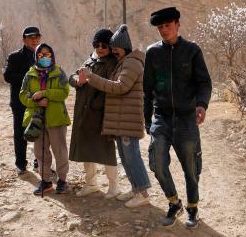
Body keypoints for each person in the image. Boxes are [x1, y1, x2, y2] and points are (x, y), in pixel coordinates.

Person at [143, 6, 212, 228]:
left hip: (186, 119)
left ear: (177, 25)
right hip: (161, 117)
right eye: (160, 27)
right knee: (157, 163)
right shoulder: (153, 53)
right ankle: (174, 203)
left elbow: (204, 82)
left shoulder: (192, 51)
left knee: (191, 168)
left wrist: (201, 104)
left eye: (168, 25)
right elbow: (147, 89)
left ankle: (192, 208)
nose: (164, 30)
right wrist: (147, 119)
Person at [79, 24, 152, 208]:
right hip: (121, 120)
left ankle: (143, 192)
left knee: (133, 157)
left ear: (125, 47)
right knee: (126, 158)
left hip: (128, 120)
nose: (114, 52)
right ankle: (136, 189)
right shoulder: (124, 62)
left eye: (116, 48)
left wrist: (92, 78)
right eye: (113, 49)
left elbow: (120, 87)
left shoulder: (132, 63)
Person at [68, 29, 121, 197]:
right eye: (96, 45)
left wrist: (97, 104)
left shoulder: (113, 63)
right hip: (83, 112)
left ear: (110, 46)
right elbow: (73, 76)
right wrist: (77, 81)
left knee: (106, 150)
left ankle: (114, 186)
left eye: (104, 45)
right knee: (85, 148)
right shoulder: (90, 60)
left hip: (101, 113)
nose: (100, 48)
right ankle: (91, 184)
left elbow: (112, 87)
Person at [19, 42, 70, 196]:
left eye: (47, 55)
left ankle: (62, 180)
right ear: (36, 57)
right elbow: (22, 95)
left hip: (56, 119)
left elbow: (64, 93)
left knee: (59, 151)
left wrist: (45, 93)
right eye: (41, 55)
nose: (45, 58)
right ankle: (46, 181)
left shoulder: (59, 72)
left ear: (52, 55)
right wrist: (36, 101)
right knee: (40, 152)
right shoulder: (29, 75)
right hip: (37, 120)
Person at [4, 26, 42, 174]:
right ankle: (20, 164)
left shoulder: (43, 56)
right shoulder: (14, 56)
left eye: (37, 37)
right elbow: (7, 77)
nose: (34, 40)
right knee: (20, 134)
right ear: (24, 39)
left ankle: (39, 162)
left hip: (39, 101)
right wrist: (29, 78)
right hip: (20, 103)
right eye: (31, 37)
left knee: (39, 132)